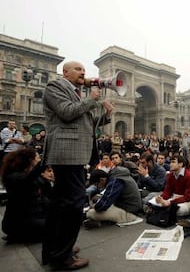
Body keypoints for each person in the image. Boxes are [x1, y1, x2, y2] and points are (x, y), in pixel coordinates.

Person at [41, 61, 113, 270]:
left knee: (60, 204)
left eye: (84, 70)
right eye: (78, 69)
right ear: (65, 72)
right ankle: (62, 256)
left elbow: (85, 122)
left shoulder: (77, 93)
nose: (83, 73)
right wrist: (92, 99)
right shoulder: (56, 87)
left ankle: (55, 249)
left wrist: (106, 115)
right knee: (73, 205)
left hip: (73, 153)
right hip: (67, 153)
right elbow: (67, 112)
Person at [1, 148, 47, 243]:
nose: (39, 159)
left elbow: (42, 198)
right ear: (30, 160)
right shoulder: (14, 177)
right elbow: (28, 179)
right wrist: (46, 160)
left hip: (33, 215)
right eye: (38, 158)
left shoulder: (32, 176)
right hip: (18, 222)